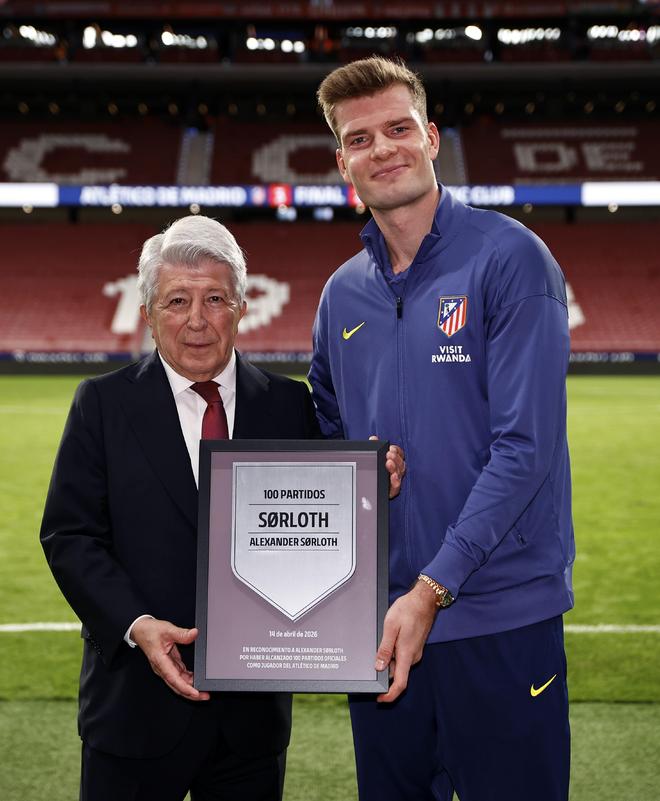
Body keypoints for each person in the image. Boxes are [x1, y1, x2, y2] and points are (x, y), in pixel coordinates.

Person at [40, 214, 404, 801]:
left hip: (250, 725)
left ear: (241, 308)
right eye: (177, 301)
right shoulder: (101, 404)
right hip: (133, 709)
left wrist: (371, 487)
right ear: (148, 314)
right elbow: (70, 536)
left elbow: (324, 523)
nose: (196, 319)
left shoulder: (288, 405)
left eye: (214, 299)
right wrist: (136, 625)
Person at [309, 56, 575, 801]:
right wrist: (355, 465)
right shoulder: (340, 294)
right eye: (360, 139)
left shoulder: (511, 257)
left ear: (430, 137)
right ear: (342, 162)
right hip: (382, 623)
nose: (382, 149)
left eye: (398, 129)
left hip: (497, 615)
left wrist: (432, 587)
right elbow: (326, 428)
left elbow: (525, 449)